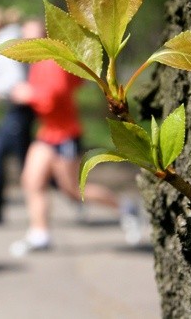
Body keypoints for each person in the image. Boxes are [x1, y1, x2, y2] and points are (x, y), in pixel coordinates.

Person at [8, 19, 141, 256]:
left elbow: (55, 97)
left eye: (31, 34)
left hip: (65, 134)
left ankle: (125, 208)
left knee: (71, 190)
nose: (25, 39)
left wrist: (28, 96)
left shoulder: (54, 61)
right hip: (47, 133)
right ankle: (39, 233)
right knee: (31, 180)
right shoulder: (38, 62)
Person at [0, 7, 35, 225]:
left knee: (15, 161)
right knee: (6, 158)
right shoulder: (10, 40)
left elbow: (15, 82)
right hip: (15, 112)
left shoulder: (4, 46)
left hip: (19, 112)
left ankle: (74, 194)